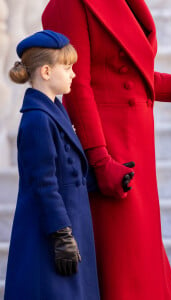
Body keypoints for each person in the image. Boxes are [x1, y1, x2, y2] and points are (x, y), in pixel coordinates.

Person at [42, 1, 171, 299]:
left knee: (142, 252)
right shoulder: (69, 5)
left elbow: (135, 78)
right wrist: (100, 160)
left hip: (137, 144)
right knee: (125, 263)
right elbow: (78, 86)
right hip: (109, 146)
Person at [4, 30, 100, 300]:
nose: (73, 74)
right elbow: (44, 182)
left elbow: (70, 169)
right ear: (46, 71)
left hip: (71, 222)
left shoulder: (56, 109)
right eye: (68, 67)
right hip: (51, 230)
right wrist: (61, 235)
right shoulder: (37, 119)